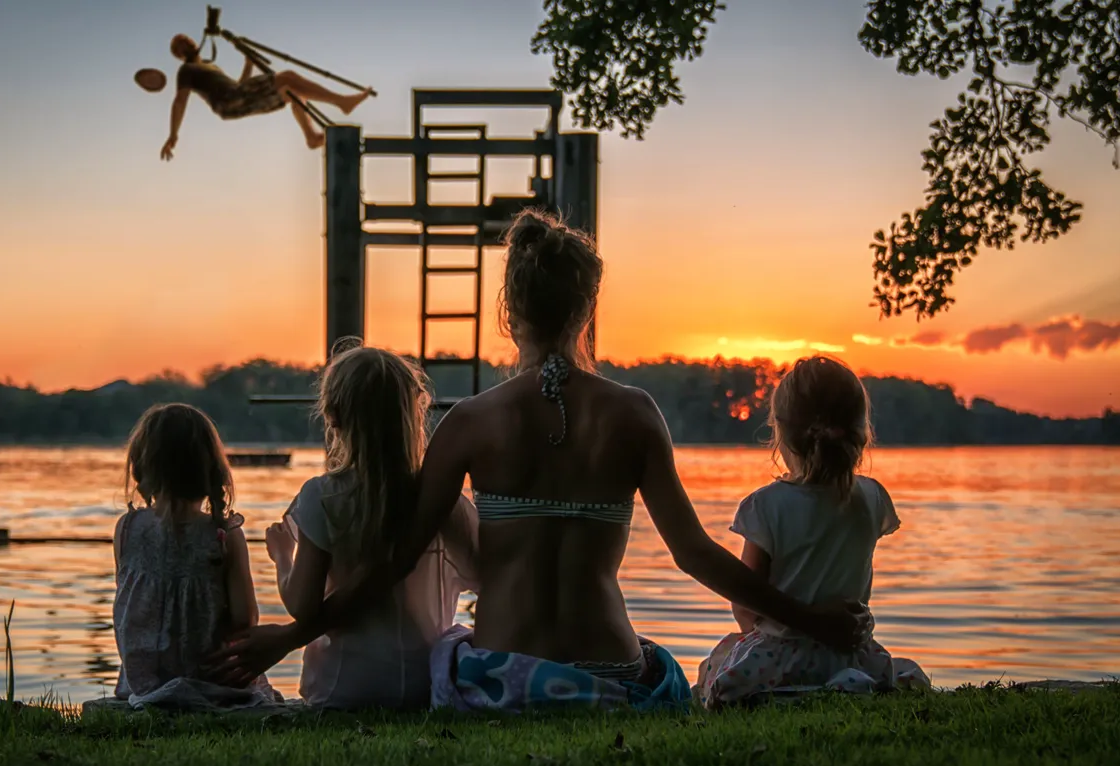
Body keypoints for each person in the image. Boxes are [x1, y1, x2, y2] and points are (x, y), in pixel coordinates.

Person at [207, 209, 870, 709]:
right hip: (610, 674)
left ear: (508, 309)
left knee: (451, 648)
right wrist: (812, 621)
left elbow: (393, 564)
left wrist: (287, 638)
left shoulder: (468, 422)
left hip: (499, 676)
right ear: (587, 309)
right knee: (665, 669)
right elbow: (694, 553)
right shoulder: (635, 412)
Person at [696, 356, 930, 706]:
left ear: (782, 433)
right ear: (860, 432)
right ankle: (837, 686)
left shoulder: (765, 506)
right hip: (849, 652)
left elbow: (745, 606)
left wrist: (765, 644)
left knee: (713, 666)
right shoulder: (873, 498)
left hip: (780, 655)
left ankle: (789, 691)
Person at [264, 344, 479, 709]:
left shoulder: (322, 497)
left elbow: (303, 606)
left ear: (332, 417)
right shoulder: (444, 504)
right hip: (426, 684)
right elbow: (485, 578)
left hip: (342, 688)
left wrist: (283, 557)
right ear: (413, 413)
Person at [112, 403, 280, 710]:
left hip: (144, 684)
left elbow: (127, 604)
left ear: (140, 470)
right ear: (213, 472)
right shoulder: (224, 535)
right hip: (213, 681)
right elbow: (245, 619)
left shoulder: (127, 529)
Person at [160, 33, 372, 156]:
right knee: (287, 76)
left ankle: (311, 137)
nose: (188, 45)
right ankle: (342, 102)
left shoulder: (209, 66)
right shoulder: (186, 71)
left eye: (188, 41)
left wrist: (248, 65)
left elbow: (239, 85)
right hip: (229, 101)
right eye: (182, 46)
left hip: (235, 97)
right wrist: (173, 134)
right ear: (180, 55)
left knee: (292, 91)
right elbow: (179, 102)